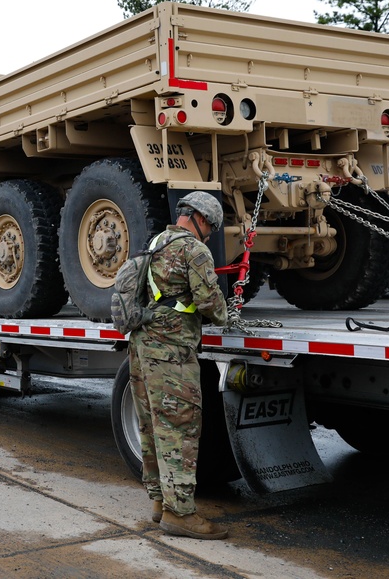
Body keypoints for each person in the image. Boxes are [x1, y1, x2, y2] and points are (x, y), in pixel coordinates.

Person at [128, 191, 229, 539]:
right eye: (211, 228)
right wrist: (226, 313)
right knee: (179, 428)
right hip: (171, 353)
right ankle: (180, 513)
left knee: (152, 427)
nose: (210, 234)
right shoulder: (194, 250)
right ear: (201, 219)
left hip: (141, 347)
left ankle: (159, 503)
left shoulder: (155, 242)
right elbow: (211, 305)